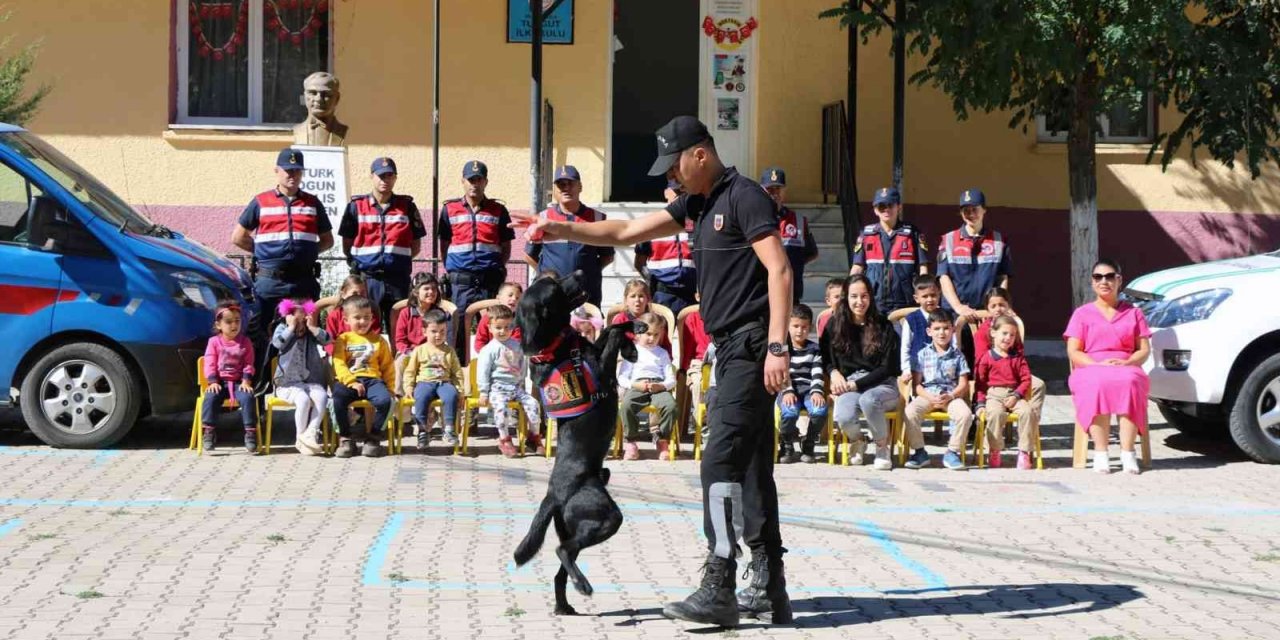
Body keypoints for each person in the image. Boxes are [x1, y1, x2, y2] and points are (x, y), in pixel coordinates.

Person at [509, 115, 794, 627]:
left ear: (700, 154)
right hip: (729, 346)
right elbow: (622, 229)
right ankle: (769, 586)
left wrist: (778, 346)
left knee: (719, 464)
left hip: (753, 344)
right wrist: (560, 226)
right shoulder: (696, 203)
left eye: (676, 165)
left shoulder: (744, 197)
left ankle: (720, 583)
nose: (673, 177)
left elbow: (779, 268)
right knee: (750, 466)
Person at [232, 148, 334, 360]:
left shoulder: (312, 203)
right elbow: (238, 237)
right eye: (287, 170)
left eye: (296, 171)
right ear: (277, 171)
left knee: (302, 334)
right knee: (261, 334)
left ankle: (297, 383)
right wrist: (263, 253)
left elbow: (327, 240)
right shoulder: (261, 201)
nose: (291, 175)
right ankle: (261, 386)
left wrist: (305, 254)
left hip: (302, 282)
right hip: (270, 282)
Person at [1064, 259, 1151, 475]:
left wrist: (1128, 362)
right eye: (1098, 277)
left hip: (1126, 366)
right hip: (1090, 367)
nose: (1104, 281)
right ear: (1092, 282)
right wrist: (1096, 364)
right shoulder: (1082, 313)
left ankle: (1128, 453)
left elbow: (1144, 350)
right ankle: (1101, 452)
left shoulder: (1134, 313)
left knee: (1130, 382)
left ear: (1119, 280)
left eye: (1110, 276)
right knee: (1097, 383)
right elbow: (1073, 351)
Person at [820, 276, 900, 470]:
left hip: (883, 385)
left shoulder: (884, 325)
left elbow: (888, 367)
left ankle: (882, 447)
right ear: (846, 298)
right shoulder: (835, 325)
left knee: (868, 400)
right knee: (843, 415)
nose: (859, 302)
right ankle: (859, 440)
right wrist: (833, 373)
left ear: (871, 298)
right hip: (850, 383)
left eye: (864, 296)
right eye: (854, 296)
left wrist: (857, 384)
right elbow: (825, 357)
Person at [438, 161, 514, 361]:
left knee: (494, 327)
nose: (475, 184)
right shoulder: (449, 209)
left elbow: (506, 246)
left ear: (485, 182)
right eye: (471, 180)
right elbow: (444, 244)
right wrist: (452, 269)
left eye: (479, 180)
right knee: (458, 328)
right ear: (463, 181)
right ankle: (459, 371)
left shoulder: (498, 210)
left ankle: (495, 371)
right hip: (461, 282)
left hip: (489, 280)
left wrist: (497, 267)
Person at [340, 156, 426, 326]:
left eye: (389, 176)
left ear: (395, 178)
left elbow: (415, 244)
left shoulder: (407, 206)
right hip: (367, 280)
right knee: (366, 328)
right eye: (381, 176)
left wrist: (398, 261)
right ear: (372, 176)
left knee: (400, 328)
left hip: (397, 280)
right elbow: (347, 244)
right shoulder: (356, 206)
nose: (385, 180)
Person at [524, 166, 614, 306]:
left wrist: (590, 272)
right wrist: (546, 273)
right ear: (555, 190)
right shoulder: (543, 218)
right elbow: (529, 256)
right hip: (552, 292)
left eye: (570, 183)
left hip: (586, 293)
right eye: (561, 184)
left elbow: (607, 257)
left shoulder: (597, 218)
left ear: (580, 186)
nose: (566, 188)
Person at [972, 287, 1046, 441]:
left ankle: (1030, 424)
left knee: (1038, 385)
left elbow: (1019, 355)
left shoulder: (1013, 328)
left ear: (1008, 306)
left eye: (1002, 305)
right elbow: (980, 362)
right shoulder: (984, 331)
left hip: (1014, 374)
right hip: (993, 377)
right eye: (993, 306)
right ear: (987, 309)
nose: (998, 309)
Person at [906, 310, 974, 471]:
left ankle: (952, 451)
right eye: (937, 329)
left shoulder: (958, 356)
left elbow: (963, 384)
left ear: (952, 330)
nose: (941, 333)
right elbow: (917, 385)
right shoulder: (922, 354)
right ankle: (919, 452)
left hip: (950, 395)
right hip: (928, 394)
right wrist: (929, 397)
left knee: (965, 415)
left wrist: (951, 396)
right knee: (910, 412)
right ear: (929, 331)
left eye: (945, 328)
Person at [330, 296, 396, 459]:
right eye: (357, 317)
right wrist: (351, 382)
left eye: (367, 317)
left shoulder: (379, 340)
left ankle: (373, 438)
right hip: (349, 380)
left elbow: (387, 366)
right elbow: (339, 364)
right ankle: (345, 438)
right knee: (337, 400)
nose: (363, 321)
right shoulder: (343, 339)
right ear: (346, 319)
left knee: (385, 401)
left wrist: (390, 388)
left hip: (373, 380)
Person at [476, 304, 544, 457]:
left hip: (516, 387)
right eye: (498, 327)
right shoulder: (489, 349)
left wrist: (521, 382)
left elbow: (522, 364)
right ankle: (504, 439)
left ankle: (533, 437)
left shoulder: (518, 346)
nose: (503, 331)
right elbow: (483, 372)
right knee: (501, 409)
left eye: (507, 327)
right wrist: (483, 392)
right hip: (497, 388)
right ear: (490, 328)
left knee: (533, 404)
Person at [849, 187, 928, 316]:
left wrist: (923, 295)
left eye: (890, 205)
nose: (886, 209)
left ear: (899, 207)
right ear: (875, 210)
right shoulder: (866, 234)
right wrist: (848, 292)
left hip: (905, 302)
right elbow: (857, 267)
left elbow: (923, 268)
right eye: (881, 206)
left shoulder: (913, 233)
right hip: (873, 301)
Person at [937, 188, 1011, 322]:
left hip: (988, 314)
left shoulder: (999, 240)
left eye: (975, 209)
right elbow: (944, 277)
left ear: (984, 210)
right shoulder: (948, 240)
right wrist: (959, 307)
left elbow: (1002, 277)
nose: (971, 214)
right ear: (960, 213)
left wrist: (998, 306)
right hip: (955, 314)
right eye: (966, 210)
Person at [974, 315, 1035, 469]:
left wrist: (1016, 395)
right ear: (993, 333)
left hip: (1014, 394)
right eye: (1004, 333)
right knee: (995, 414)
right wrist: (980, 404)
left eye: (1012, 335)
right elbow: (980, 384)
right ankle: (995, 449)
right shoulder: (986, 358)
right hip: (993, 394)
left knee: (1027, 412)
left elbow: (1026, 379)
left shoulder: (1017, 358)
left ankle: (1024, 451)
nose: (1008, 338)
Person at [270, 298, 329, 456]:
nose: (300, 323)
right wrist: (290, 328)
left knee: (322, 396)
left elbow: (328, 340)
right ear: (288, 316)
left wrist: (313, 327)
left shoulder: (310, 332)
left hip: (308, 381)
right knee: (302, 400)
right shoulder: (283, 329)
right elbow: (277, 344)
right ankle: (300, 437)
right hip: (286, 383)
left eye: (303, 318)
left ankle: (310, 432)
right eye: (297, 318)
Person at [618, 312, 678, 461]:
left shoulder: (662, 353)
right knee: (626, 405)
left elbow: (672, 378)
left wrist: (662, 385)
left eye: (656, 335)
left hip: (658, 386)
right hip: (638, 385)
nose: (652, 338)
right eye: (648, 334)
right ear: (638, 333)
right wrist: (634, 384)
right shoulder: (632, 352)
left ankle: (662, 440)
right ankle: (631, 442)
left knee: (671, 406)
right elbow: (622, 377)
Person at [200, 302, 258, 453]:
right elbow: (209, 362)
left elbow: (249, 363)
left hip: (238, 382)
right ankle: (209, 431)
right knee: (210, 397)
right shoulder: (213, 342)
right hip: (218, 382)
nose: (234, 325)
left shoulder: (245, 342)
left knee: (248, 397)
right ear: (218, 325)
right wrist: (212, 381)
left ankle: (250, 432)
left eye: (237, 321)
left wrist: (246, 380)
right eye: (229, 322)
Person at [403, 309, 463, 452]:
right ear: (424, 331)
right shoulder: (420, 350)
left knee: (451, 395)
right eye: (434, 331)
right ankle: (423, 431)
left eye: (442, 331)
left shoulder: (449, 351)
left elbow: (457, 372)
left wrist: (460, 390)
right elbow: (410, 371)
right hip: (425, 382)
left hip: (444, 382)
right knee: (421, 396)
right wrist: (408, 387)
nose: (438, 335)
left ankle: (449, 429)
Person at [634, 179, 697, 315]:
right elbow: (639, 262)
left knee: (690, 335)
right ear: (666, 193)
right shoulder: (653, 225)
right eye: (676, 192)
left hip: (691, 294)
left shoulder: (696, 225)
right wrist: (652, 282)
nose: (679, 196)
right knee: (660, 334)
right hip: (663, 295)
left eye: (682, 192)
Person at [777, 304, 825, 464]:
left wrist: (817, 391)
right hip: (788, 389)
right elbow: (782, 371)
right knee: (789, 413)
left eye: (804, 327)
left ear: (810, 327)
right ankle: (786, 443)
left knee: (819, 411)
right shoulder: (783, 348)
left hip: (809, 390)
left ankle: (809, 442)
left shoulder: (814, 349)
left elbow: (817, 372)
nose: (799, 331)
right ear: (788, 326)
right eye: (795, 326)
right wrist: (787, 390)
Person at [761, 167, 818, 303]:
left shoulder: (798, 220)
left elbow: (811, 253)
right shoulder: (752, 219)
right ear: (762, 191)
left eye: (778, 189)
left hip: (791, 293)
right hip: (761, 294)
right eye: (770, 190)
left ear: (784, 191)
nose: (774, 194)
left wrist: (791, 265)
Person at [899, 275, 947, 379]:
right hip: (918, 371)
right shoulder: (911, 320)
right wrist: (906, 369)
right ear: (916, 299)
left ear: (939, 295)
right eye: (925, 296)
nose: (930, 299)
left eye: (933, 295)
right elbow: (905, 347)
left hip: (942, 369)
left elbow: (953, 343)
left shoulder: (946, 317)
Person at [610, 279, 672, 354]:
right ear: (626, 300)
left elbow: (665, 347)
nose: (637, 300)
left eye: (641, 296)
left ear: (648, 299)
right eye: (633, 296)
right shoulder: (620, 320)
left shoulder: (655, 320)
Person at [325, 274, 383, 355]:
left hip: (366, 354)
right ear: (343, 294)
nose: (358, 297)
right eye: (354, 293)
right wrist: (336, 355)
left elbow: (375, 338)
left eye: (362, 293)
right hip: (340, 355)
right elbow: (329, 341)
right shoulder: (334, 316)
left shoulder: (370, 315)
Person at [293, 71, 348, 146]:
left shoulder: (342, 131)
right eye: (313, 93)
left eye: (326, 94)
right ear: (305, 96)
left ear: (337, 98)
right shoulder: (298, 131)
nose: (319, 99)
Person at [473, 282, 524, 354]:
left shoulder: (518, 321)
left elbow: (516, 342)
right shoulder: (487, 318)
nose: (514, 299)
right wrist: (486, 354)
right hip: (488, 355)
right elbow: (479, 342)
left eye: (517, 298)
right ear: (498, 298)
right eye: (510, 295)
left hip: (509, 357)